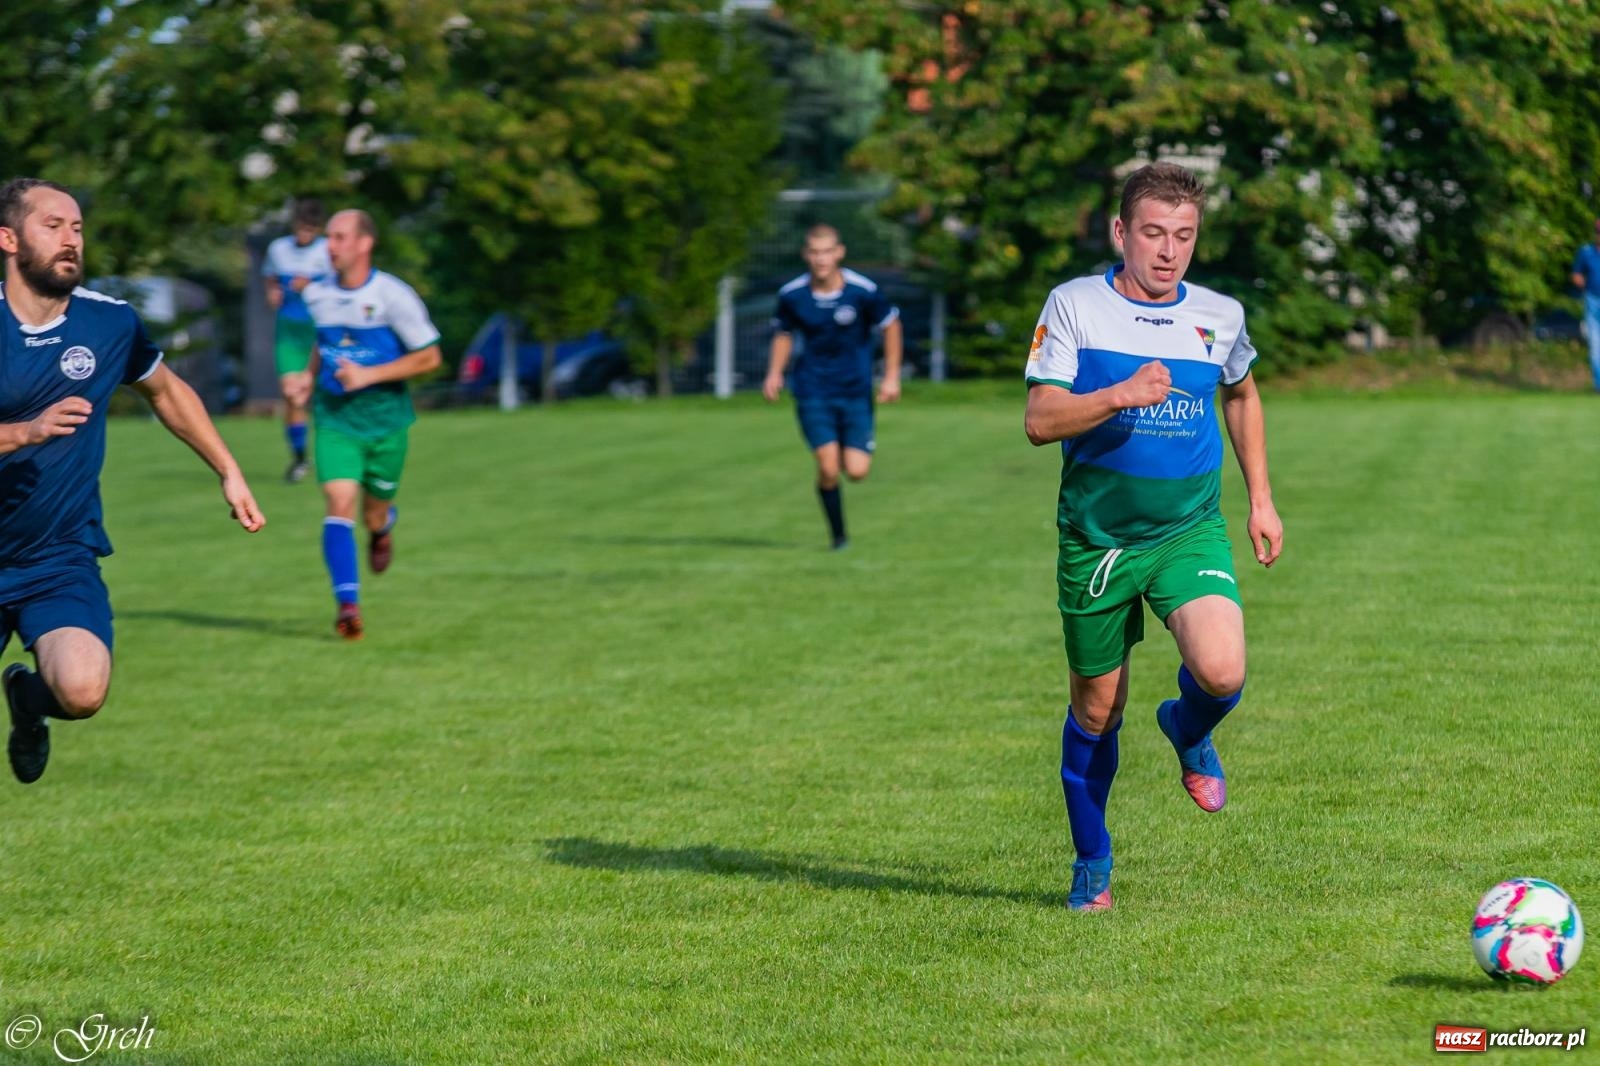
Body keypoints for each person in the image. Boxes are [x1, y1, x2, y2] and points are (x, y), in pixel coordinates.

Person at [1022, 162, 1283, 911]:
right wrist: (1119, 396)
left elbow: (1241, 392)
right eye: (1153, 233)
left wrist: (1260, 500)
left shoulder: (1219, 315)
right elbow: (1040, 421)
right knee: (1098, 710)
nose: (1169, 251)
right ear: (1121, 232)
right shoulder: (1074, 306)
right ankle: (1092, 863)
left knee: (1223, 670)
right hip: (1098, 541)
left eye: (1184, 236)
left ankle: (1188, 727)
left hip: (1187, 532)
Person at [0, 177, 265, 785]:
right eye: (53, 226)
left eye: (77, 228)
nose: (71, 239)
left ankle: (26, 698)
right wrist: (24, 432)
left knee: (83, 690)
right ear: (9, 238)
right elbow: (26, 432)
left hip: (57, 557)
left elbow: (167, 392)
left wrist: (229, 471)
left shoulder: (109, 324)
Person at [286, 209, 440, 640]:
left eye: (339, 237)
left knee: (373, 513)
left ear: (364, 243)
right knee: (338, 503)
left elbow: (429, 356)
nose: (329, 246)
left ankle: (383, 527)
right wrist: (306, 377)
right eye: (329, 238)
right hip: (336, 419)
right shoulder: (317, 295)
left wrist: (369, 375)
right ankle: (348, 604)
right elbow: (324, 343)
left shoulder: (393, 296)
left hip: (387, 423)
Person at [763, 224, 903, 550]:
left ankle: (842, 449)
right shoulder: (792, 295)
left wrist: (892, 376)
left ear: (839, 252)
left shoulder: (862, 291)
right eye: (814, 252)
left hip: (855, 391)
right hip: (812, 390)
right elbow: (783, 333)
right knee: (828, 466)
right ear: (806, 255)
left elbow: (891, 325)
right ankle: (838, 536)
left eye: (827, 251)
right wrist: (774, 373)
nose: (821, 259)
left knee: (856, 471)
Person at [261, 198, 332, 482]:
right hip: (290, 331)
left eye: (311, 229)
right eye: (302, 228)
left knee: (327, 395)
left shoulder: (328, 250)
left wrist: (312, 285)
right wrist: (272, 293)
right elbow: (270, 278)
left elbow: (340, 285)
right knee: (292, 394)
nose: (305, 234)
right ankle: (300, 458)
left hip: (319, 330)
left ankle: (332, 454)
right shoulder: (278, 249)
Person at [1569, 218, 1600, 392]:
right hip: (1592, 301)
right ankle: (1599, 386)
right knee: (1596, 346)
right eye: (1598, 232)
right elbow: (1576, 274)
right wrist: (1580, 281)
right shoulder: (1586, 252)